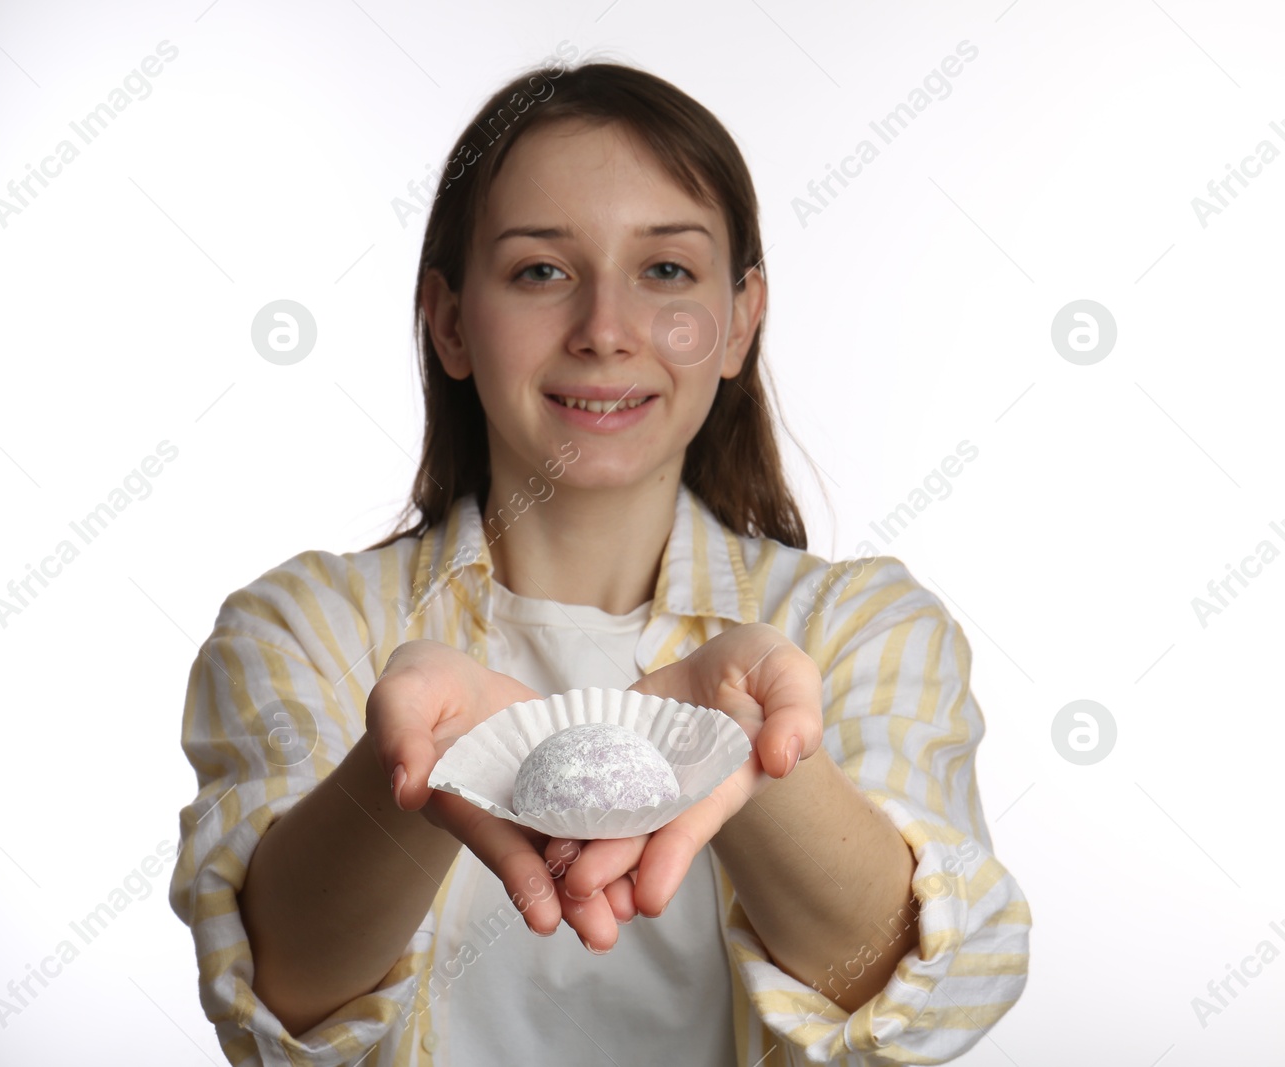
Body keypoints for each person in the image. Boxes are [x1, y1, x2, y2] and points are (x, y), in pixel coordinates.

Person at [168, 57, 1031, 1067]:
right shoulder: (303, 627)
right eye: (540, 270)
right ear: (449, 320)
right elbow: (278, 1000)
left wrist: (756, 751)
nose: (605, 332)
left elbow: (919, 999)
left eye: (665, 270)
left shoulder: (862, 629)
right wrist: (398, 766)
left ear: (739, 319)